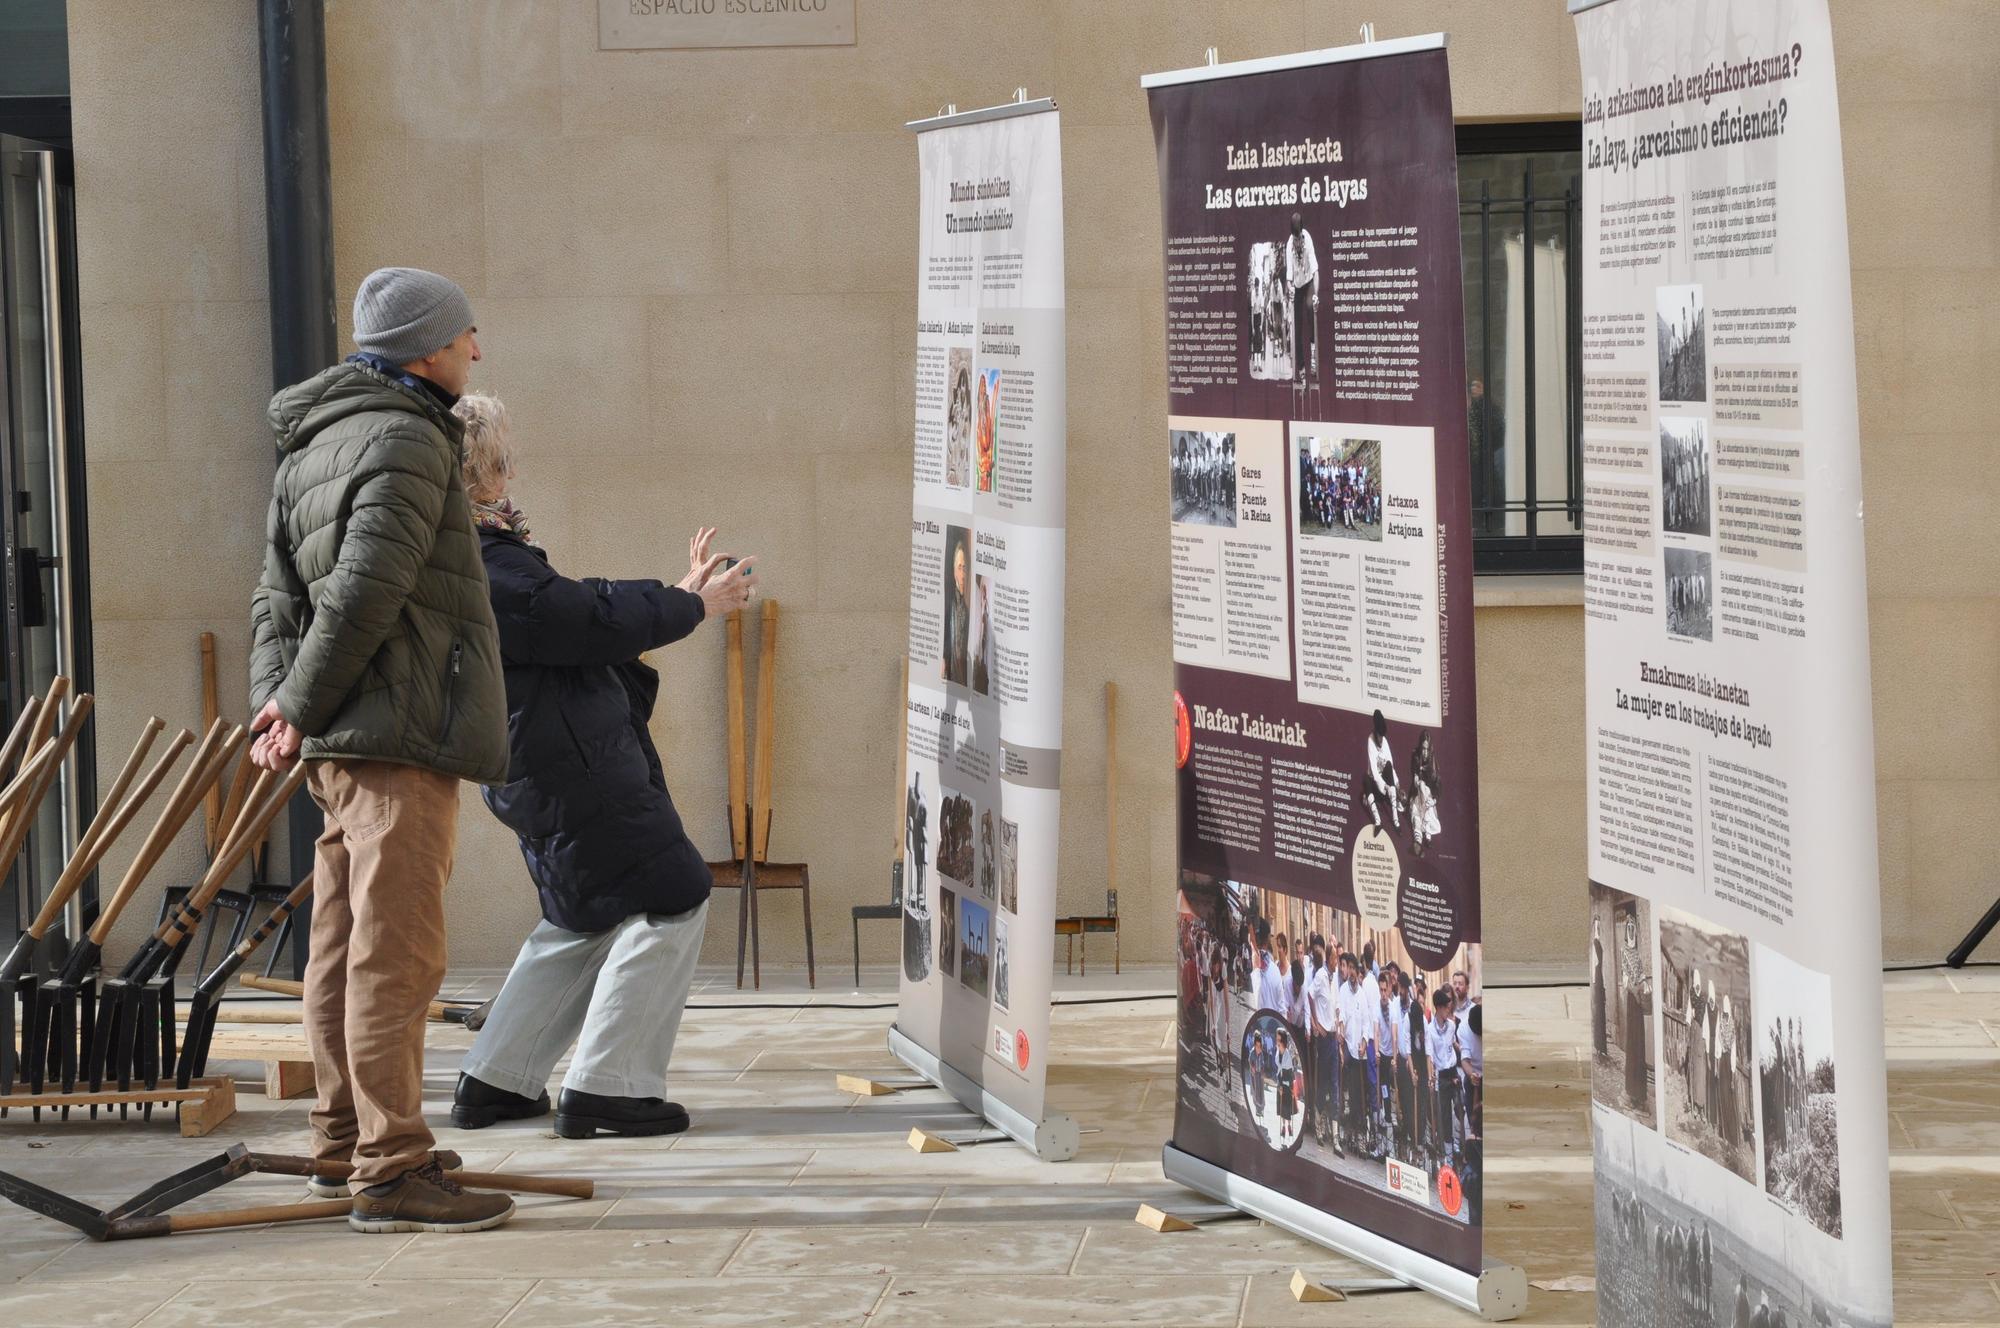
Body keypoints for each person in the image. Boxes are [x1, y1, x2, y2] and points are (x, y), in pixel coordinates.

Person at [249, 266, 514, 1233]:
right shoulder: (406, 436)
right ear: (424, 348)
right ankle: (393, 1168)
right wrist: (295, 702)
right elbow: (367, 589)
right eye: (464, 336)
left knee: (339, 943)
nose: (475, 350)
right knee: (395, 955)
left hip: (338, 736)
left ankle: (342, 1138)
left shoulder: (316, 441)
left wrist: (280, 708)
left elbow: (273, 599)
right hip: (397, 737)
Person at [445, 393, 756, 1140]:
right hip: (573, 767)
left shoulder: (467, 557)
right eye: (503, 459)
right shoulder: (488, 567)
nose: (513, 471)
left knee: (583, 909)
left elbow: (580, 624)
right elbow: (583, 618)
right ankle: (609, 1087)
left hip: (545, 765)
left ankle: (496, 1080)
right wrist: (693, 606)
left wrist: (677, 599)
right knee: (673, 890)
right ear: (479, 472)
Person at [1285, 211, 1319, 381]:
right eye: (1295, 237)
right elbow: (1288, 279)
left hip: (1308, 283)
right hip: (1297, 287)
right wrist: (1290, 288)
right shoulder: (1289, 245)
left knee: (1309, 307)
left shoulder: (1308, 239)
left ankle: (1313, 357)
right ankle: (1301, 367)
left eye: (1299, 237)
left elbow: (1315, 271)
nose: (1297, 241)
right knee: (1296, 327)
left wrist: (1316, 295)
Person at [1365, 710, 1401, 830]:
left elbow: (1390, 764)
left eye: (1382, 736)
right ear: (1375, 733)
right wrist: (1385, 786)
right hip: (1376, 783)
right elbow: (1374, 771)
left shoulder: (1384, 741)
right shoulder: (1370, 741)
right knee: (1366, 779)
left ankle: (1396, 821)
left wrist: (1396, 783)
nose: (1381, 740)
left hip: (1386, 786)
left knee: (1389, 765)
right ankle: (1378, 821)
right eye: (1379, 736)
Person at [942, 535, 971, 685]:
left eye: (964, 568)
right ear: (954, 572)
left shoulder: (966, 611)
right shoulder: (948, 605)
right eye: (959, 568)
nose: (962, 574)